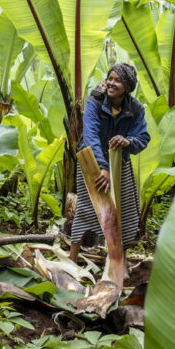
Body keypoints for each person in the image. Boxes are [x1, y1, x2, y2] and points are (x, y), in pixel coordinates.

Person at [69, 63, 150, 262]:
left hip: (119, 163)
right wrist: (102, 168)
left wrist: (128, 141)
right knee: (87, 209)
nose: (111, 83)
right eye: (110, 78)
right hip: (92, 163)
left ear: (127, 87)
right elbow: (91, 136)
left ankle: (119, 262)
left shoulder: (136, 109)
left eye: (117, 80)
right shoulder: (95, 101)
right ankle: (71, 261)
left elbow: (143, 138)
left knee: (125, 212)